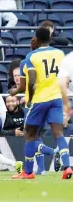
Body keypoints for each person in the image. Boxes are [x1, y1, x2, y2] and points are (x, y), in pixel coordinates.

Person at [12, 27, 72, 179]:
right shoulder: (59, 54)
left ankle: (28, 172)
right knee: (58, 133)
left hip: (40, 99)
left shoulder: (32, 56)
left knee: (30, 135)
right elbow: (66, 76)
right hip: (57, 98)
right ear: (50, 38)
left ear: (37, 39)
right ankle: (67, 168)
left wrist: (30, 98)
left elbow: (31, 82)